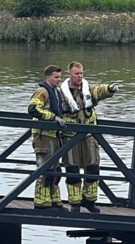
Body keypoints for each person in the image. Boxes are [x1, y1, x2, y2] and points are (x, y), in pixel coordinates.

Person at [60, 62, 119, 213]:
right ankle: (75, 203)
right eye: (76, 74)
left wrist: (110, 89)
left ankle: (90, 201)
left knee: (93, 168)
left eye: (81, 73)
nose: (79, 76)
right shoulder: (60, 92)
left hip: (89, 136)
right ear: (69, 75)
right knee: (72, 170)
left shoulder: (88, 89)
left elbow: (100, 91)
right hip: (69, 137)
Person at [27, 65, 67, 210]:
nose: (59, 80)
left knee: (56, 171)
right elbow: (33, 109)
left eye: (60, 77)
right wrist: (52, 117)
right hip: (43, 135)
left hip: (55, 136)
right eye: (56, 77)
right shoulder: (42, 91)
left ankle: (54, 200)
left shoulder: (57, 92)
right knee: (45, 169)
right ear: (47, 77)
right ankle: (41, 201)